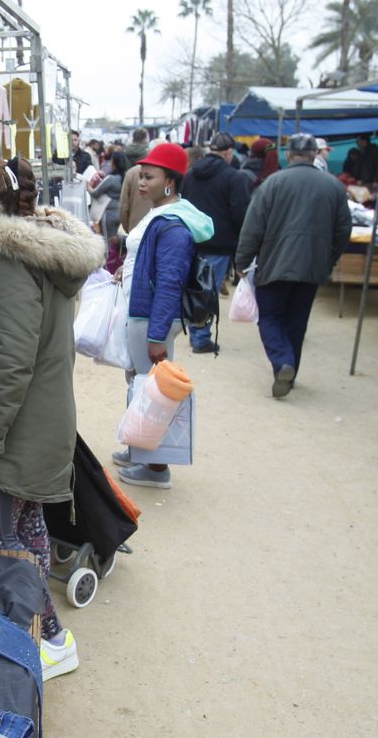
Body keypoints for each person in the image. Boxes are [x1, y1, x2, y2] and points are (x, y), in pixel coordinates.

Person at [0, 156, 104, 680]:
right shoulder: (43, 255)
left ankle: (40, 640)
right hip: (41, 421)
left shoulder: (13, 262)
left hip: (15, 428)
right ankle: (46, 639)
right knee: (26, 528)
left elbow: (11, 358)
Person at [113, 142, 214, 489]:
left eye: (149, 177)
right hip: (141, 312)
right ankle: (141, 450)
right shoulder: (161, 214)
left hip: (150, 317)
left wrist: (157, 335)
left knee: (154, 390)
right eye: (141, 176)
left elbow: (170, 282)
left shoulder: (173, 223)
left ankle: (157, 468)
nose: (141, 182)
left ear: (170, 181)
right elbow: (148, 262)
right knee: (141, 384)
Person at [233, 133, 350, 398]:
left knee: (269, 317)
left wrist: (241, 261)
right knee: (297, 322)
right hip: (312, 266)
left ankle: (282, 362)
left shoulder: (273, 183)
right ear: (315, 155)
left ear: (289, 155)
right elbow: (344, 230)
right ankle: (289, 372)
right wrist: (329, 259)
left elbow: (253, 227)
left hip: (275, 263)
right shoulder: (333, 186)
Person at [181, 131, 253, 355]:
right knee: (209, 290)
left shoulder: (190, 175)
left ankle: (195, 330)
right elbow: (241, 213)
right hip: (220, 243)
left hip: (191, 240)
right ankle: (200, 336)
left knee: (195, 286)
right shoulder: (235, 177)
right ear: (228, 153)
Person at [118, 127, 155, 233]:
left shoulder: (124, 153)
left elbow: (123, 207)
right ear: (146, 138)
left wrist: (128, 227)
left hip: (127, 186)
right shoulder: (150, 158)